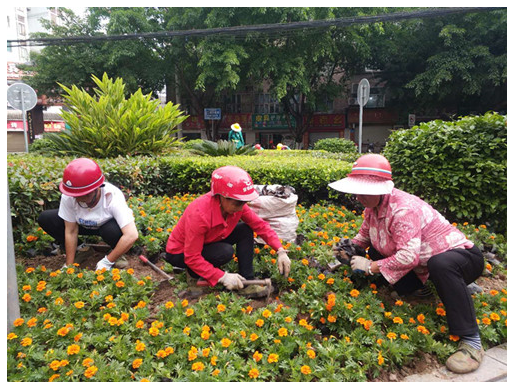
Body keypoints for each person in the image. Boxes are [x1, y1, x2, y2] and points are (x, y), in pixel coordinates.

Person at [328, 154, 485, 374]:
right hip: (427, 265)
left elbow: (408, 257)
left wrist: (370, 266)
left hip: (461, 259)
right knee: (375, 248)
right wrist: (346, 249)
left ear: (380, 190)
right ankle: (421, 291)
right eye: (357, 191)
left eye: (364, 192)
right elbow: (363, 237)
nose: (358, 197)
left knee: (440, 264)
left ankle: (471, 340)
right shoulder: (372, 208)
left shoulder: (403, 209)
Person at [164, 165, 291, 298]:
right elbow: (192, 257)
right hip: (180, 253)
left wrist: (280, 250)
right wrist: (222, 276)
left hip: (209, 240)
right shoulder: (199, 214)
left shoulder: (237, 206)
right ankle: (193, 275)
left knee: (245, 229)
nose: (241, 207)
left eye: (244, 202)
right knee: (225, 252)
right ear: (221, 197)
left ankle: (247, 285)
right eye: (237, 203)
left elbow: (260, 225)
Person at [38, 158, 139, 271]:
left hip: (106, 227)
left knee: (111, 230)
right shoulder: (70, 194)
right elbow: (70, 231)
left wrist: (107, 261)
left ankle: (117, 253)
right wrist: (69, 266)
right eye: (76, 197)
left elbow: (131, 235)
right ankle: (82, 249)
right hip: (82, 225)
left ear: (97, 189)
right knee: (46, 218)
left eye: (85, 196)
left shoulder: (112, 196)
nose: (80, 200)